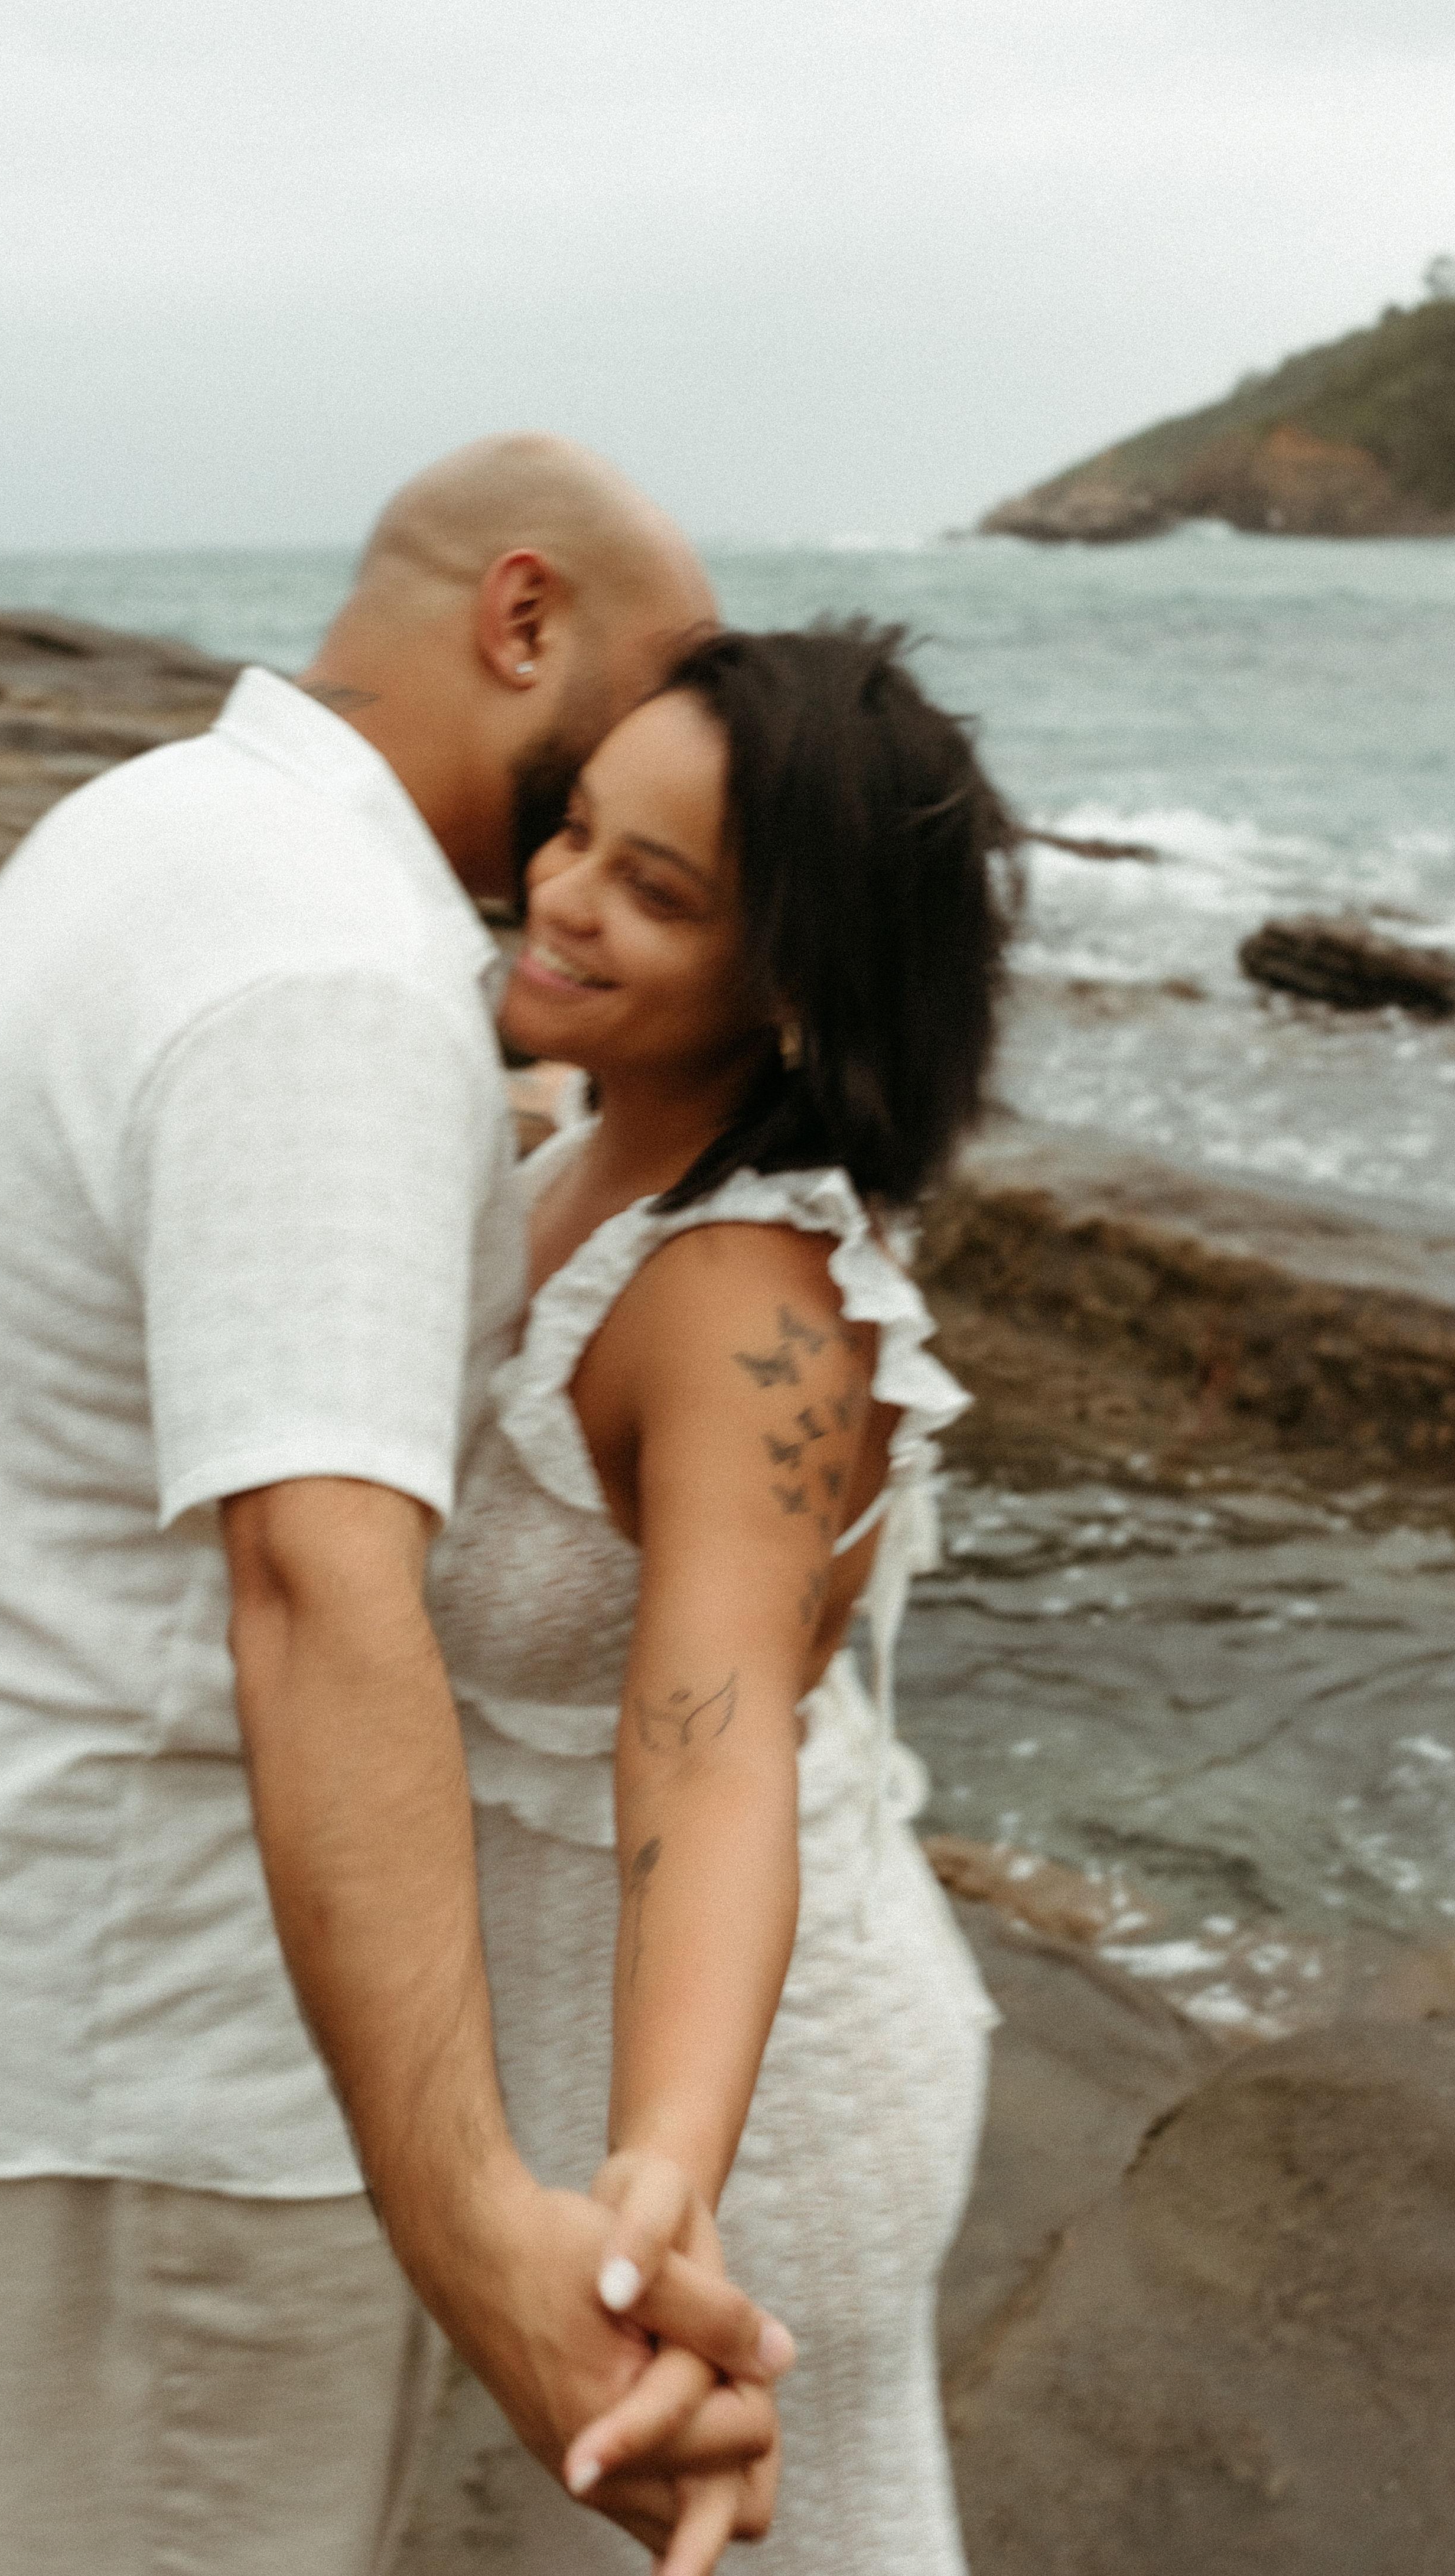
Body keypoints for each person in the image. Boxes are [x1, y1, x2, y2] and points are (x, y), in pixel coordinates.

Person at [0, 435, 791, 2576]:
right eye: (673, 675)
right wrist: (480, 2230)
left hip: (21, 1961)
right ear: (523, 617)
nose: (698, 744)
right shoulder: (332, 973)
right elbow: (318, 1589)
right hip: (155, 2061)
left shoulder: (159, 825)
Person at [422, 622, 1020, 2572]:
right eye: (574, 828)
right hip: (578, 2072)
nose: (562, 895)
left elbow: (708, 1734)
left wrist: (671, 2156)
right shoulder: (581, 1149)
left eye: (655, 890)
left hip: (747, 2110)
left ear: (791, 984)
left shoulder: (742, 1299)